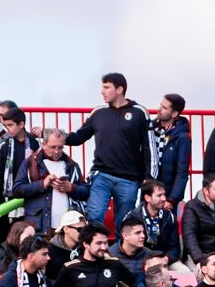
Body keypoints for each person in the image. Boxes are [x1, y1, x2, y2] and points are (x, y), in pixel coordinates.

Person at [62, 73, 152, 230]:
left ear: (119, 89)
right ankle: (91, 253)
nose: (102, 92)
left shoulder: (139, 112)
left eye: (106, 87)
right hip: (101, 175)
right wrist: (51, 135)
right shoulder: (98, 112)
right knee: (94, 216)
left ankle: (119, 254)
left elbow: (148, 147)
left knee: (124, 224)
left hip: (129, 178)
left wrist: (148, 176)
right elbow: (78, 138)